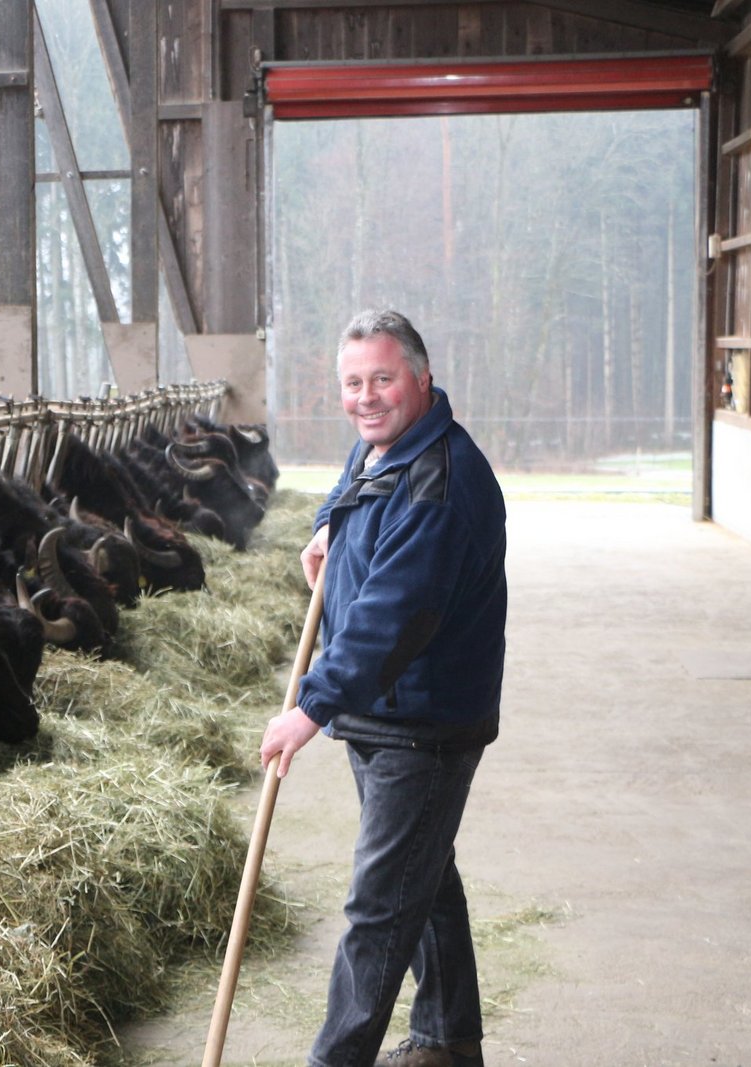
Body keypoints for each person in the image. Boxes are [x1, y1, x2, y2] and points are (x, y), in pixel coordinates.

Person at [260, 309, 506, 1067]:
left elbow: (392, 619)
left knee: (379, 907)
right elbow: (351, 490)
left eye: (383, 379)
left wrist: (311, 703)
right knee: (421, 880)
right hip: (385, 712)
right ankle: (447, 1041)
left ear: (422, 379)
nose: (365, 397)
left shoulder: (440, 485)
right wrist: (326, 527)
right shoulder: (388, 445)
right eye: (353, 383)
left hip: (420, 723)